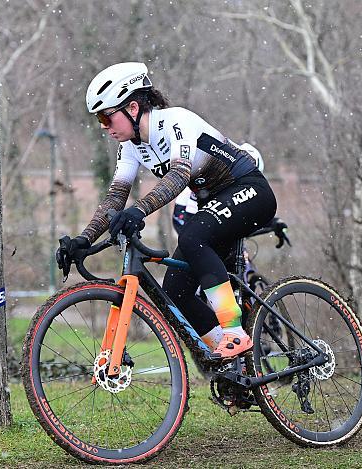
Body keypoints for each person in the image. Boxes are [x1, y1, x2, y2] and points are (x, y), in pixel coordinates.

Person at [55, 62, 277, 360]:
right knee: (175, 291)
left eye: (106, 117)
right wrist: (84, 238)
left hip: (250, 190)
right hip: (213, 203)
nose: (104, 127)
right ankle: (234, 363)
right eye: (99, 120)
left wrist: (139, 210)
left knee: (192, 238)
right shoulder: (131, 147)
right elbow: (115, 197)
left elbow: (178, 176)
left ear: (132, 108)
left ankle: (234, 332)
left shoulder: (176, 122)